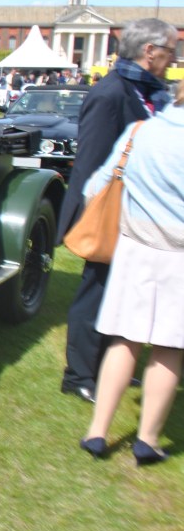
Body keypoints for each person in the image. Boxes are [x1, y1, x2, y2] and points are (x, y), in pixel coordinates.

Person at [57, 17, 178, 403]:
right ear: (149, 51)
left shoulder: (144, 91)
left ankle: (112, 368)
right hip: (108, 211)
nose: (173, 59)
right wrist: (88, 213)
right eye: (171, 51)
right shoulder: (110, 93)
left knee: (122, 295)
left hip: (138, 214)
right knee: (95, 294)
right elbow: (91, 161)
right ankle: (79, 375)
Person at [78, 79, 184, 465]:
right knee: (168, 348)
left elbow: (95, 188)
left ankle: (97, 432)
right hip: (179, 254)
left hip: (135, 247)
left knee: (125, 340)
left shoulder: (141, 131)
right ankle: (148, 440)